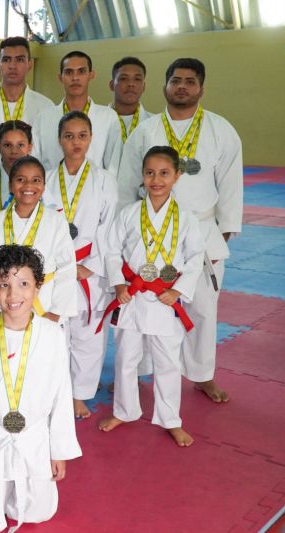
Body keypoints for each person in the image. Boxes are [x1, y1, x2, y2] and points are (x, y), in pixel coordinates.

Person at [117, 58, 243, 403]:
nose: (182, 86)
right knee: (144, 302)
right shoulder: (147, 130)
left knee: (203, 307)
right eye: (176, 80)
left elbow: (231, 182)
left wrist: (228, 226)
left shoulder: (221, 130)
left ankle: (202, 375)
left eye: (190, 81)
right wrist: (124, 230)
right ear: (165, 87)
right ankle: (138, 369)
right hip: (149, 229)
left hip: (201, 229)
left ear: (201, 88)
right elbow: (127, 181)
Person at [0, 244, 81, 531]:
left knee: (39, 513)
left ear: (37, 287)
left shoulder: (51, 335)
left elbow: (61, 396)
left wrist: (57, 450)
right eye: (4, 285)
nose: (13, 295)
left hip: (33, 436)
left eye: (23, 284)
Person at [99, 146, 205, 447]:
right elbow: (111, 250)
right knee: (125, 359)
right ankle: (124, 410)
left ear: (177, 176)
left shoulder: (186, 218)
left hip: (164, 298)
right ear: (142, 176)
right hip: (132, 296)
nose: (156, 180)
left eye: (164, 173)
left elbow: (196, 255)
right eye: (150, 173)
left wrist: (178, 290)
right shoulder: (129, 213)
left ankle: (171, 420)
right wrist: (119, 283)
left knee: (168, 362)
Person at [44, 111, 119, 419]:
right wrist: (59, 264)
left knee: (89, 337)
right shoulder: (46, 178)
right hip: (56, 268)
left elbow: (110, 226)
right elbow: (41, 226)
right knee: (55, 335)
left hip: (90, 267)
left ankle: (80, 395)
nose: (76, 143)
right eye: (69, 136)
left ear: (91, 138)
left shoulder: (104, 180)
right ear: (59, 139)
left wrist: (91, 265)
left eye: (82, 136)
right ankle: (57, 394)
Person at [0, 155, 77, 325]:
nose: (28, 186)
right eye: (21, 180)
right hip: (6, 307)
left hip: (45, 308)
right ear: (10, 185)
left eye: (36, 180)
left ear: (44, 186)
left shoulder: (56, 221)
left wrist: (56, 312)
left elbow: (67, 267)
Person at [33, 51, 122, 173]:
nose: (75, 78)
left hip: (95, 190)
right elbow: (35, 163)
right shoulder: (44, 118)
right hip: (51, 189)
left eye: (81, 71)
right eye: (69, 72)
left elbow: (114, 166)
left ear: (91, 75)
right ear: (60, 77)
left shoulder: (108, 117)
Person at [0, 37, 53, 154]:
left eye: (20, 60)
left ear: (29, 64)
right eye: (6, 60)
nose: (12, 66)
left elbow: (49, 154)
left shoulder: (45, 107)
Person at [0, 120, 34, 212]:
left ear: (29, 148)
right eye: (7, 145)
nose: (14, 151)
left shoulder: (41, 188)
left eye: (20, 145)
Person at [108, 56, 154, 142]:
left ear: (144, 87)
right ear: (111, 85)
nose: (131, 84)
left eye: (137, 79)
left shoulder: (155, 124)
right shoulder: (94, 122)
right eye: (124, 78)